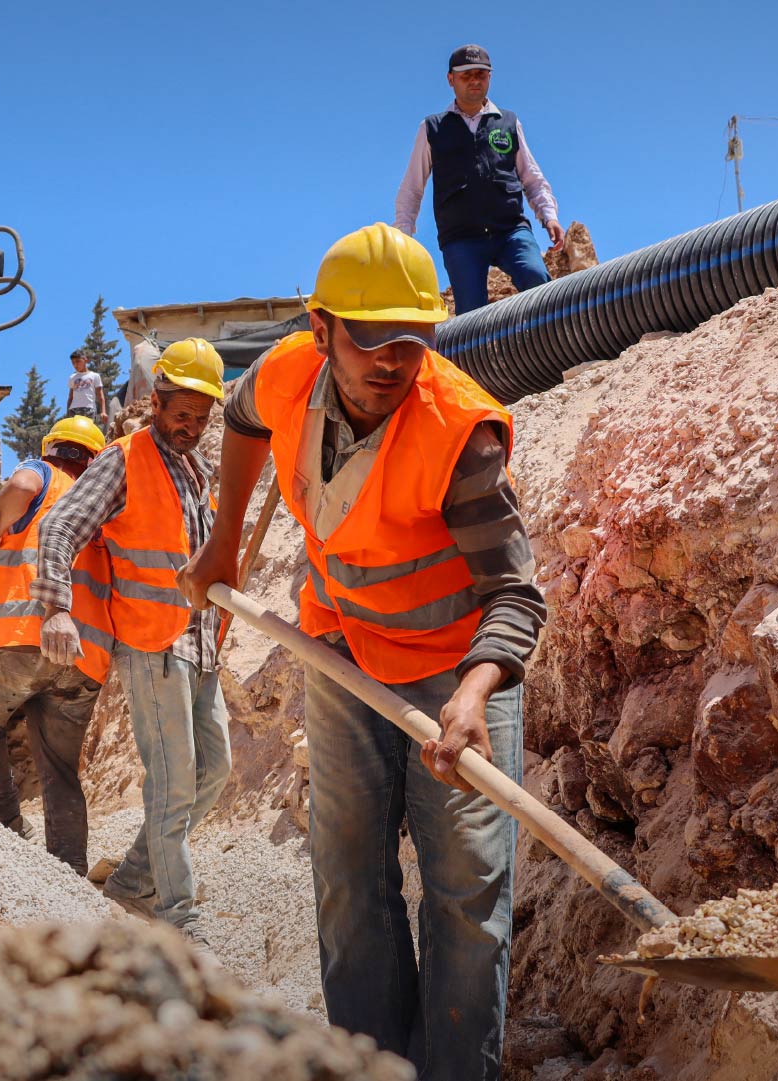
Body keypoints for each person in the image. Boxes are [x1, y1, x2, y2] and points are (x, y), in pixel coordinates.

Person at [178, 223, 548, 1080]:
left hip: (456, 667)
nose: (392, 360)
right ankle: (371, 1066)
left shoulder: (461, 433)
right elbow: (237, 418)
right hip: (341, 651)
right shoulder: (284, 373)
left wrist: (471, 693)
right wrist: (224, 538)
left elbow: (515, 596)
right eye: (371, 338)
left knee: (465, 895)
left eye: (412, 341)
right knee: (348, 879)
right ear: (321, 328)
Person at [34, 339, 229, 947]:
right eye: (180, 411)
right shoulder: (124, 460)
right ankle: (180, 915)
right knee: (171, 781)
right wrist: (56, 609)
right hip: (151, 645)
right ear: (156, 399)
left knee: (214, 770)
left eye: (201, 417)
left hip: (199, 645)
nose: (190, 425)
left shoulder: (194, 472)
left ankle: (136, 878)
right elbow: (60, 525)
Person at [0, 414, 112, 872]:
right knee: (61, 768)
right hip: (83, 654)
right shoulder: (104, 502)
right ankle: (69, 868)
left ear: (54, 448)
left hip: (21, 635)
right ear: (93, 458)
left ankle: (8, 828)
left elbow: (23, 484)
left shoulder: (44, 472)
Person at [394, 43, 565, 313]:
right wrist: (403, 234)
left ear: (489, 77)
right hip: (460, 239)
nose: (474, 80)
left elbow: (531, 176)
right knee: (472, 316)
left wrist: (548, 215)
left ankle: (555, 353)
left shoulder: (507, 122)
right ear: (451, 79)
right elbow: (412, 187)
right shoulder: (432, 128)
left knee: (539, 284)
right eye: (466, 75)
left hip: (510, 230)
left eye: (481, 74)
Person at [66, 349, 106, 419]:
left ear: (85, 360)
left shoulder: (94, 376)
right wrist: (67, 413)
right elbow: (70, 398)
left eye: (78, 361)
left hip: (89, 408)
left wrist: (103, 412)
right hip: (74, 409)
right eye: (73, 363)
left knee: (87, 429)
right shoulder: (72, 377)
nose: (75, 365)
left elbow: (100, 396)